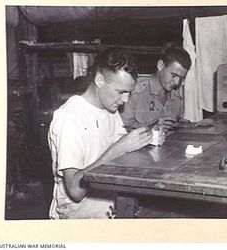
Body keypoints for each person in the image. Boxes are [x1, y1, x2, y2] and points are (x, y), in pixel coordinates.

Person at [47, 48, 153, 219]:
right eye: (121, 92)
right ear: (99, 80)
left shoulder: (109, 109)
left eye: (129, 93)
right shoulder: (70, 117)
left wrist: (146, 138)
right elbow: (75, 190)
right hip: (79, 216)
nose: (125, 100)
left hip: (110, 201)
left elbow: (122, 149)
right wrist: (118, 149)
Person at [120, 44, 191, 133]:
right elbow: (122, 129)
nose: (177, 82)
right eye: (173, 76)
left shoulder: (176, 96)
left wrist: (189, 125)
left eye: (181, 78)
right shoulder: (134, 93)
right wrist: (152, 127)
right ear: (160, 65)